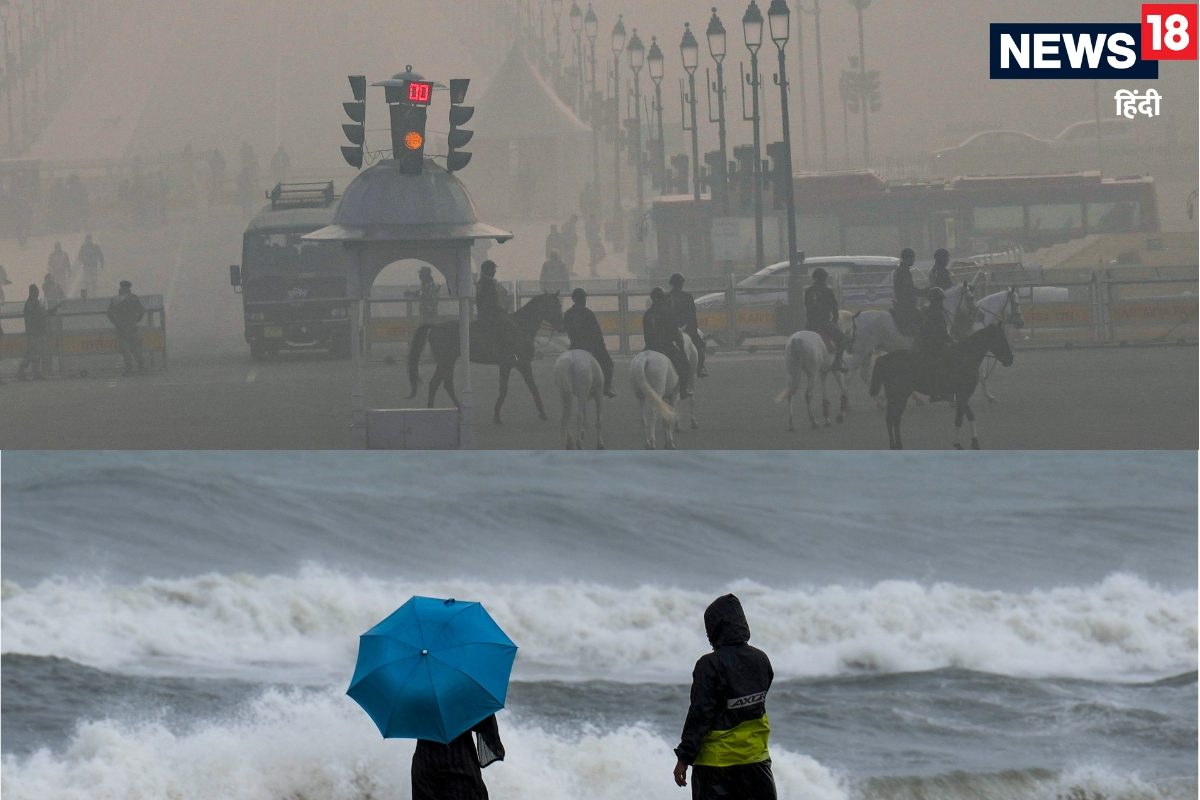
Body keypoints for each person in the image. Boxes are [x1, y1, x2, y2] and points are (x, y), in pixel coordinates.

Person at [673, 594, 777, 800]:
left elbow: (700, 714)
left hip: (716, 768)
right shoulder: (760, 659)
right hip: (756, 764)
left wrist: (684, 758)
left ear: (716, 628)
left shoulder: (709, 665)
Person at [411, 713, 504, 800]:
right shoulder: (464, 700)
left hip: (424, 761)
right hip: (458, 762)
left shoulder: (417, 700)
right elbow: (483, 723)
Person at [564, 288, 616, 397]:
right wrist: (602, 346)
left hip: (574, 346)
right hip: (589, 346)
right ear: (583, 299)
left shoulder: (568, 314)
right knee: (609, 363)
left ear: (574, 299)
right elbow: (597, 333)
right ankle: (606, 388)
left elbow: (565, 329)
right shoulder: (588, 313)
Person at [643, 287, 693, 399]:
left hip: (649, 347)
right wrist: (681, 348)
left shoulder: (647, 314)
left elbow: (646, 334)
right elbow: (675, 333)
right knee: (685, 364)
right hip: (665, 347)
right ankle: (684, 389)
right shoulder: (668, 312)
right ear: (662, 298)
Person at [803, 267, 848, 372]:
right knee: (842, 338)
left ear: (814, 278)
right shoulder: (828, 291)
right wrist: (834, 321)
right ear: (824, 278)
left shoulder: (808, 291)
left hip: (810, 324)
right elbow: (835, 308)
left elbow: (806, 306)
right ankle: (837, 362)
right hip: (823, 322)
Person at [475, 260, 519, 366]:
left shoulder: (483, 282)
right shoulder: (488, 283)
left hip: (486, 314)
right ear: (490, 270)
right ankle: (510, 353)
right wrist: (502, 310)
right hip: (490, 316)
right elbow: (490, 303)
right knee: (510, 326)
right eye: (494, 269)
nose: (495, 271)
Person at [666, 273, 708, 378]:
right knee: (701, 345)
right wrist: (693, 331)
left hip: (670, 330)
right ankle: (700, 368)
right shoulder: (687, 296)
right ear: (682, 284)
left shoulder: (666, 297)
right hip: (686, 328)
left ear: (671, 284)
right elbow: (692, 316)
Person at [16, 284, 59, 380]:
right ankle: (31, 372)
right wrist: (54, 309)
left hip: (32, 332)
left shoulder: (29, 303)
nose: (38, 294)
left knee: (31, 352)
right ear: (34, 292)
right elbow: (41, 314)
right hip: (35, 332)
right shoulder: (33, 304)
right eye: (37, 292)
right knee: (35, 352)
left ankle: (24, 371)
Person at [917, 286, 952, 401]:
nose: (942, 303)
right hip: (934, 345)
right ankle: (943, 392)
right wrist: (951, 341)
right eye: (940, 300)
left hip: (925, 343)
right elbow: (941, 332)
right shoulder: (937, 313)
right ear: (936, 301)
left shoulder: (926, 310)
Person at [106, 280, 147, 376]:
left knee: (125, 349)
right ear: (129, 288)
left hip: (121, 327)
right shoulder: (134, 298)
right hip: (132, 326)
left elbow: (109, 313)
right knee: (136, 347)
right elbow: (142, 310)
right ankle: (142, 367)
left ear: (121, 288)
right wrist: (136, 320)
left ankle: (129, 369)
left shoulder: (115, 299)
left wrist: (116, 322)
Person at [892, 247, 919, 336]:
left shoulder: (900, 270)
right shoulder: (904, 271)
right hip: (906, 306)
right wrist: (924, 291)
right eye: (913, 258)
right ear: (908, 258)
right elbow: (909, 290)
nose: (914, 260)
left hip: (902, 303)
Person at [77, 234, 105, 298]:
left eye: (88, 239)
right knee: (88, 280)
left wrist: (102, 263)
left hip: (92, 266)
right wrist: (84, 261)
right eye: (87, 239)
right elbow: (80, 256)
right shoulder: (84, 247)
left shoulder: (93, 247)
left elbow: (100, 255)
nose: (88, 241)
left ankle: (93, 293)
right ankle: (90, 293)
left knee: (92, 280)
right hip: (88, 266)